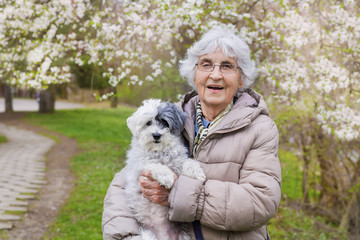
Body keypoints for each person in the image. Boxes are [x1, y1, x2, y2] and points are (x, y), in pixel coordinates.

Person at [102, 27, 281, 240]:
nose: (215, 75)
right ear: (194, 74)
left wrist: (176, 193)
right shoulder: (169, 117)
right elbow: (123, 185)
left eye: (227, 66)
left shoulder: (260, 129)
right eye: (206, 65)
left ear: (241, 78)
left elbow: (259, 203)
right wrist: (129, 236)